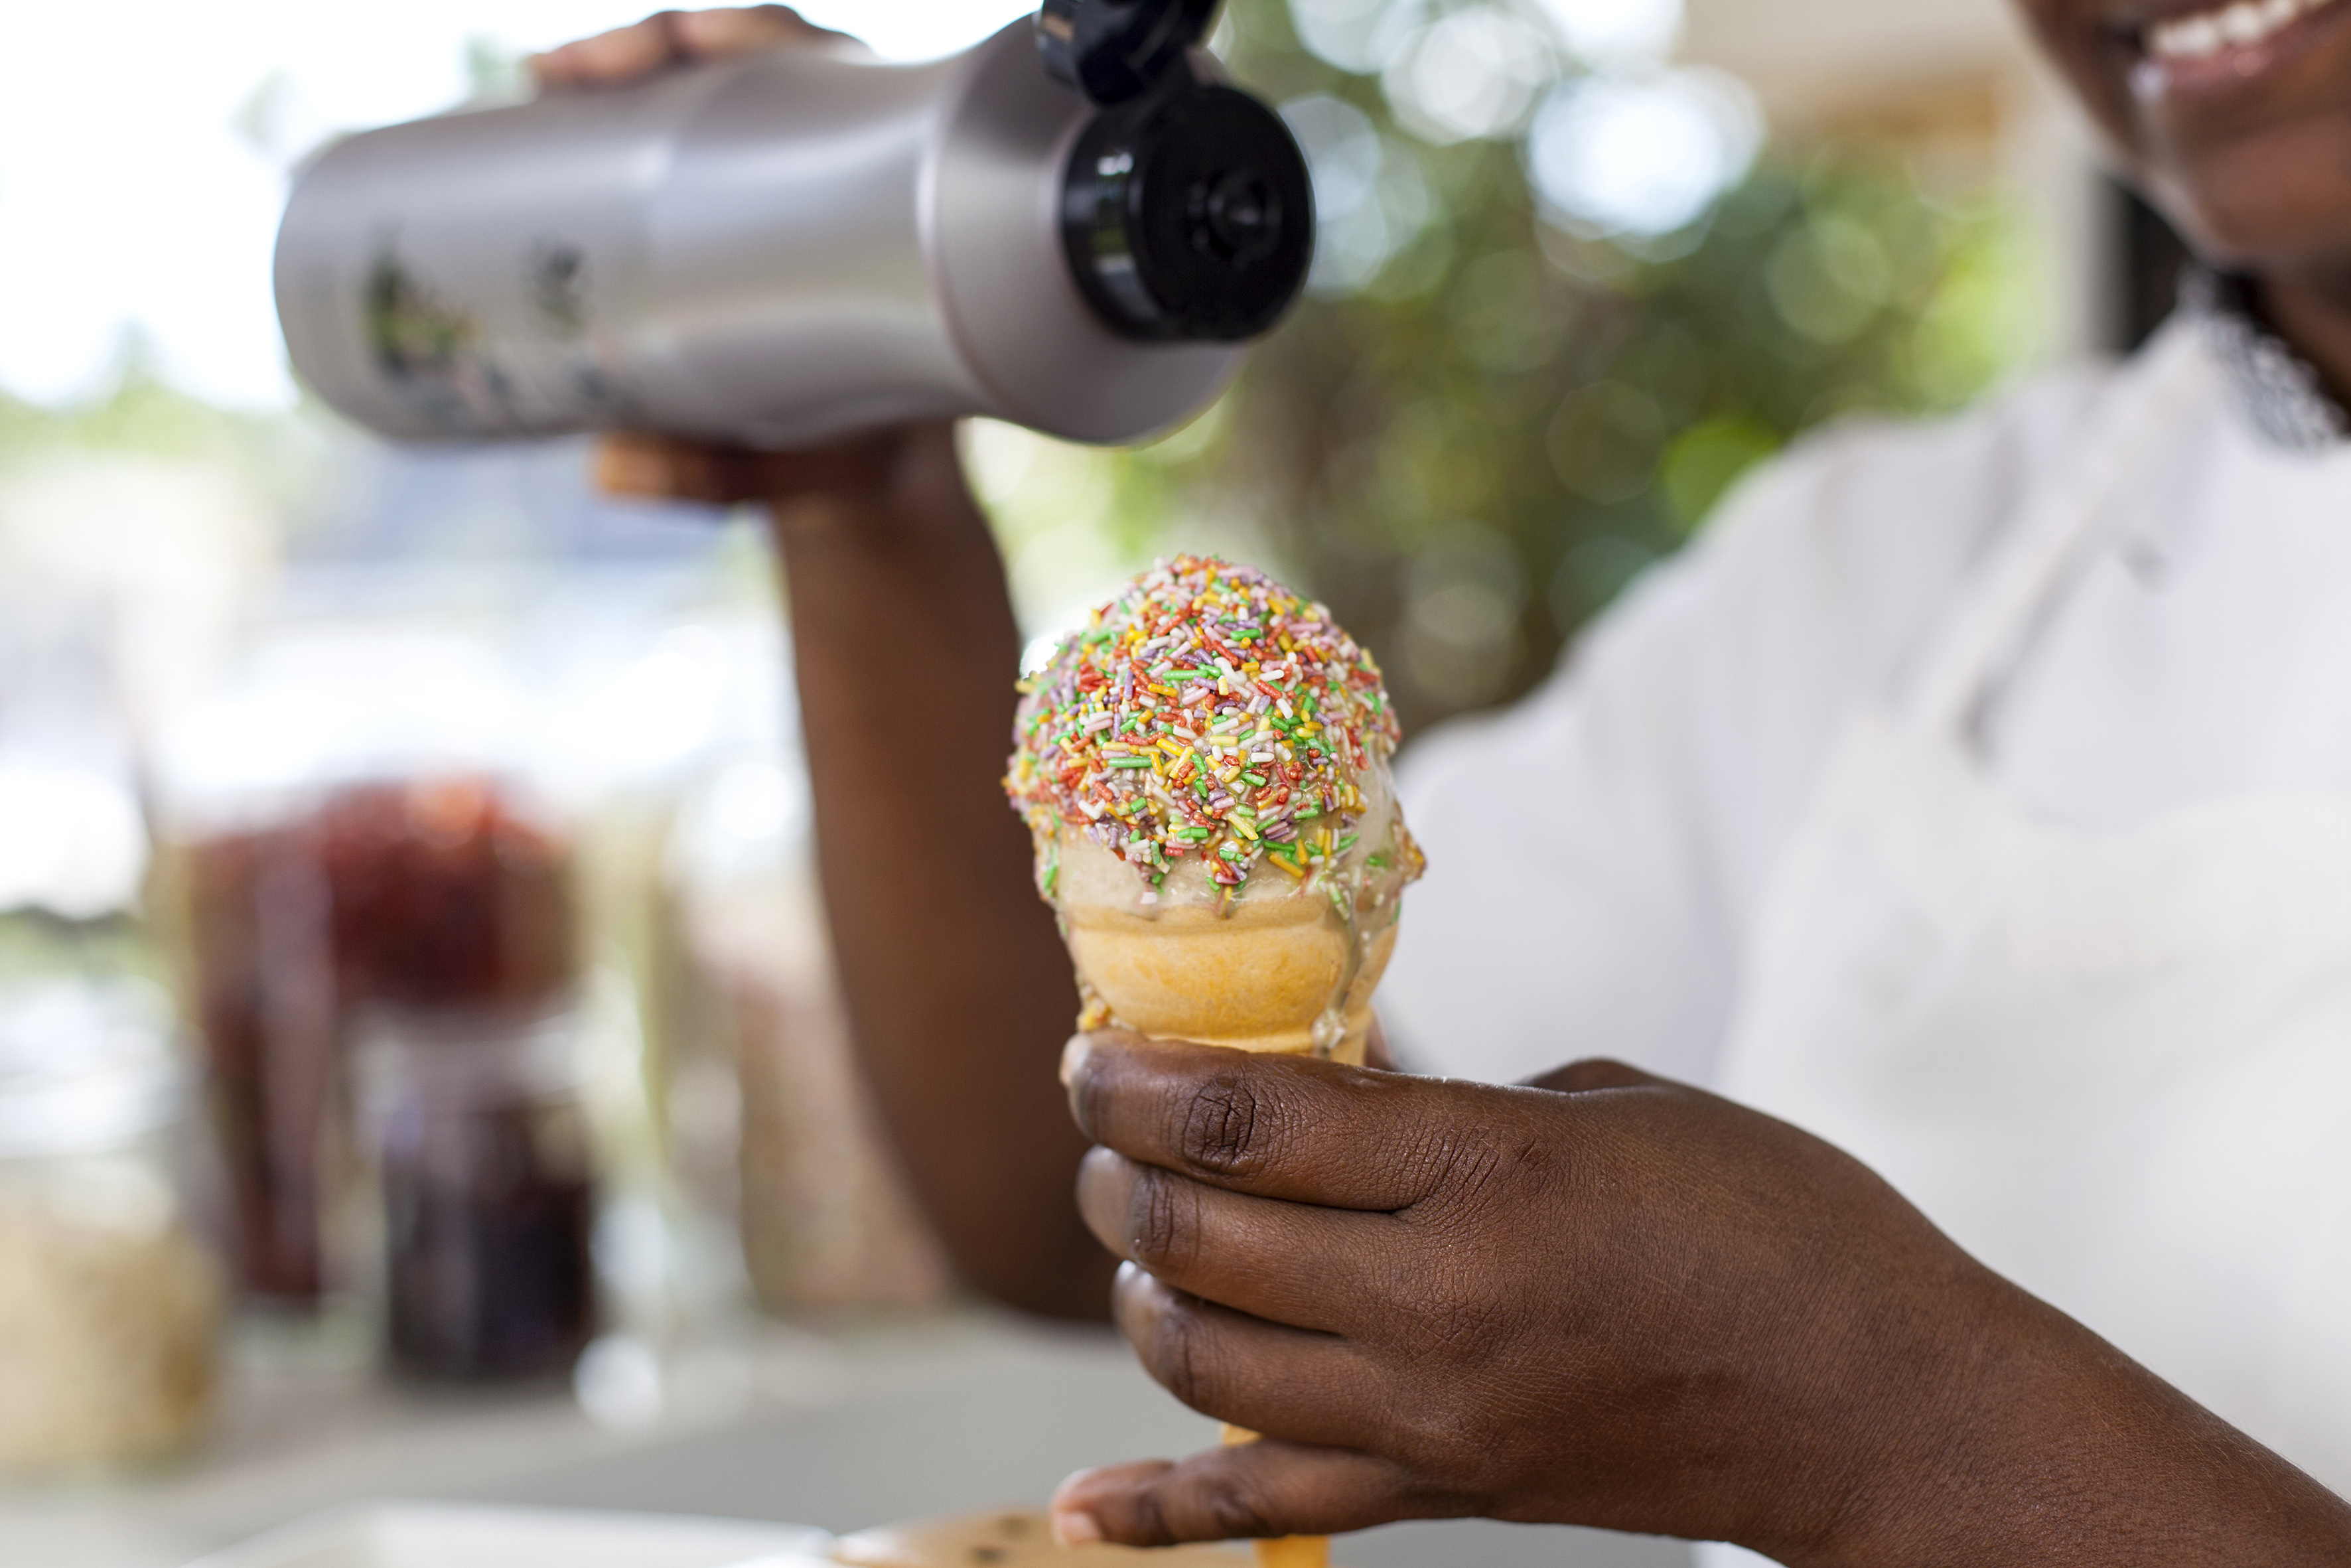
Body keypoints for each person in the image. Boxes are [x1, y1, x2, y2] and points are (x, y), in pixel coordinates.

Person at [539, 5, 2351, 1563]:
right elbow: (1083, 1180)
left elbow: (1864, 1402)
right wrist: (865, 470)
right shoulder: (1892, 571)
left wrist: (1887, 1413)